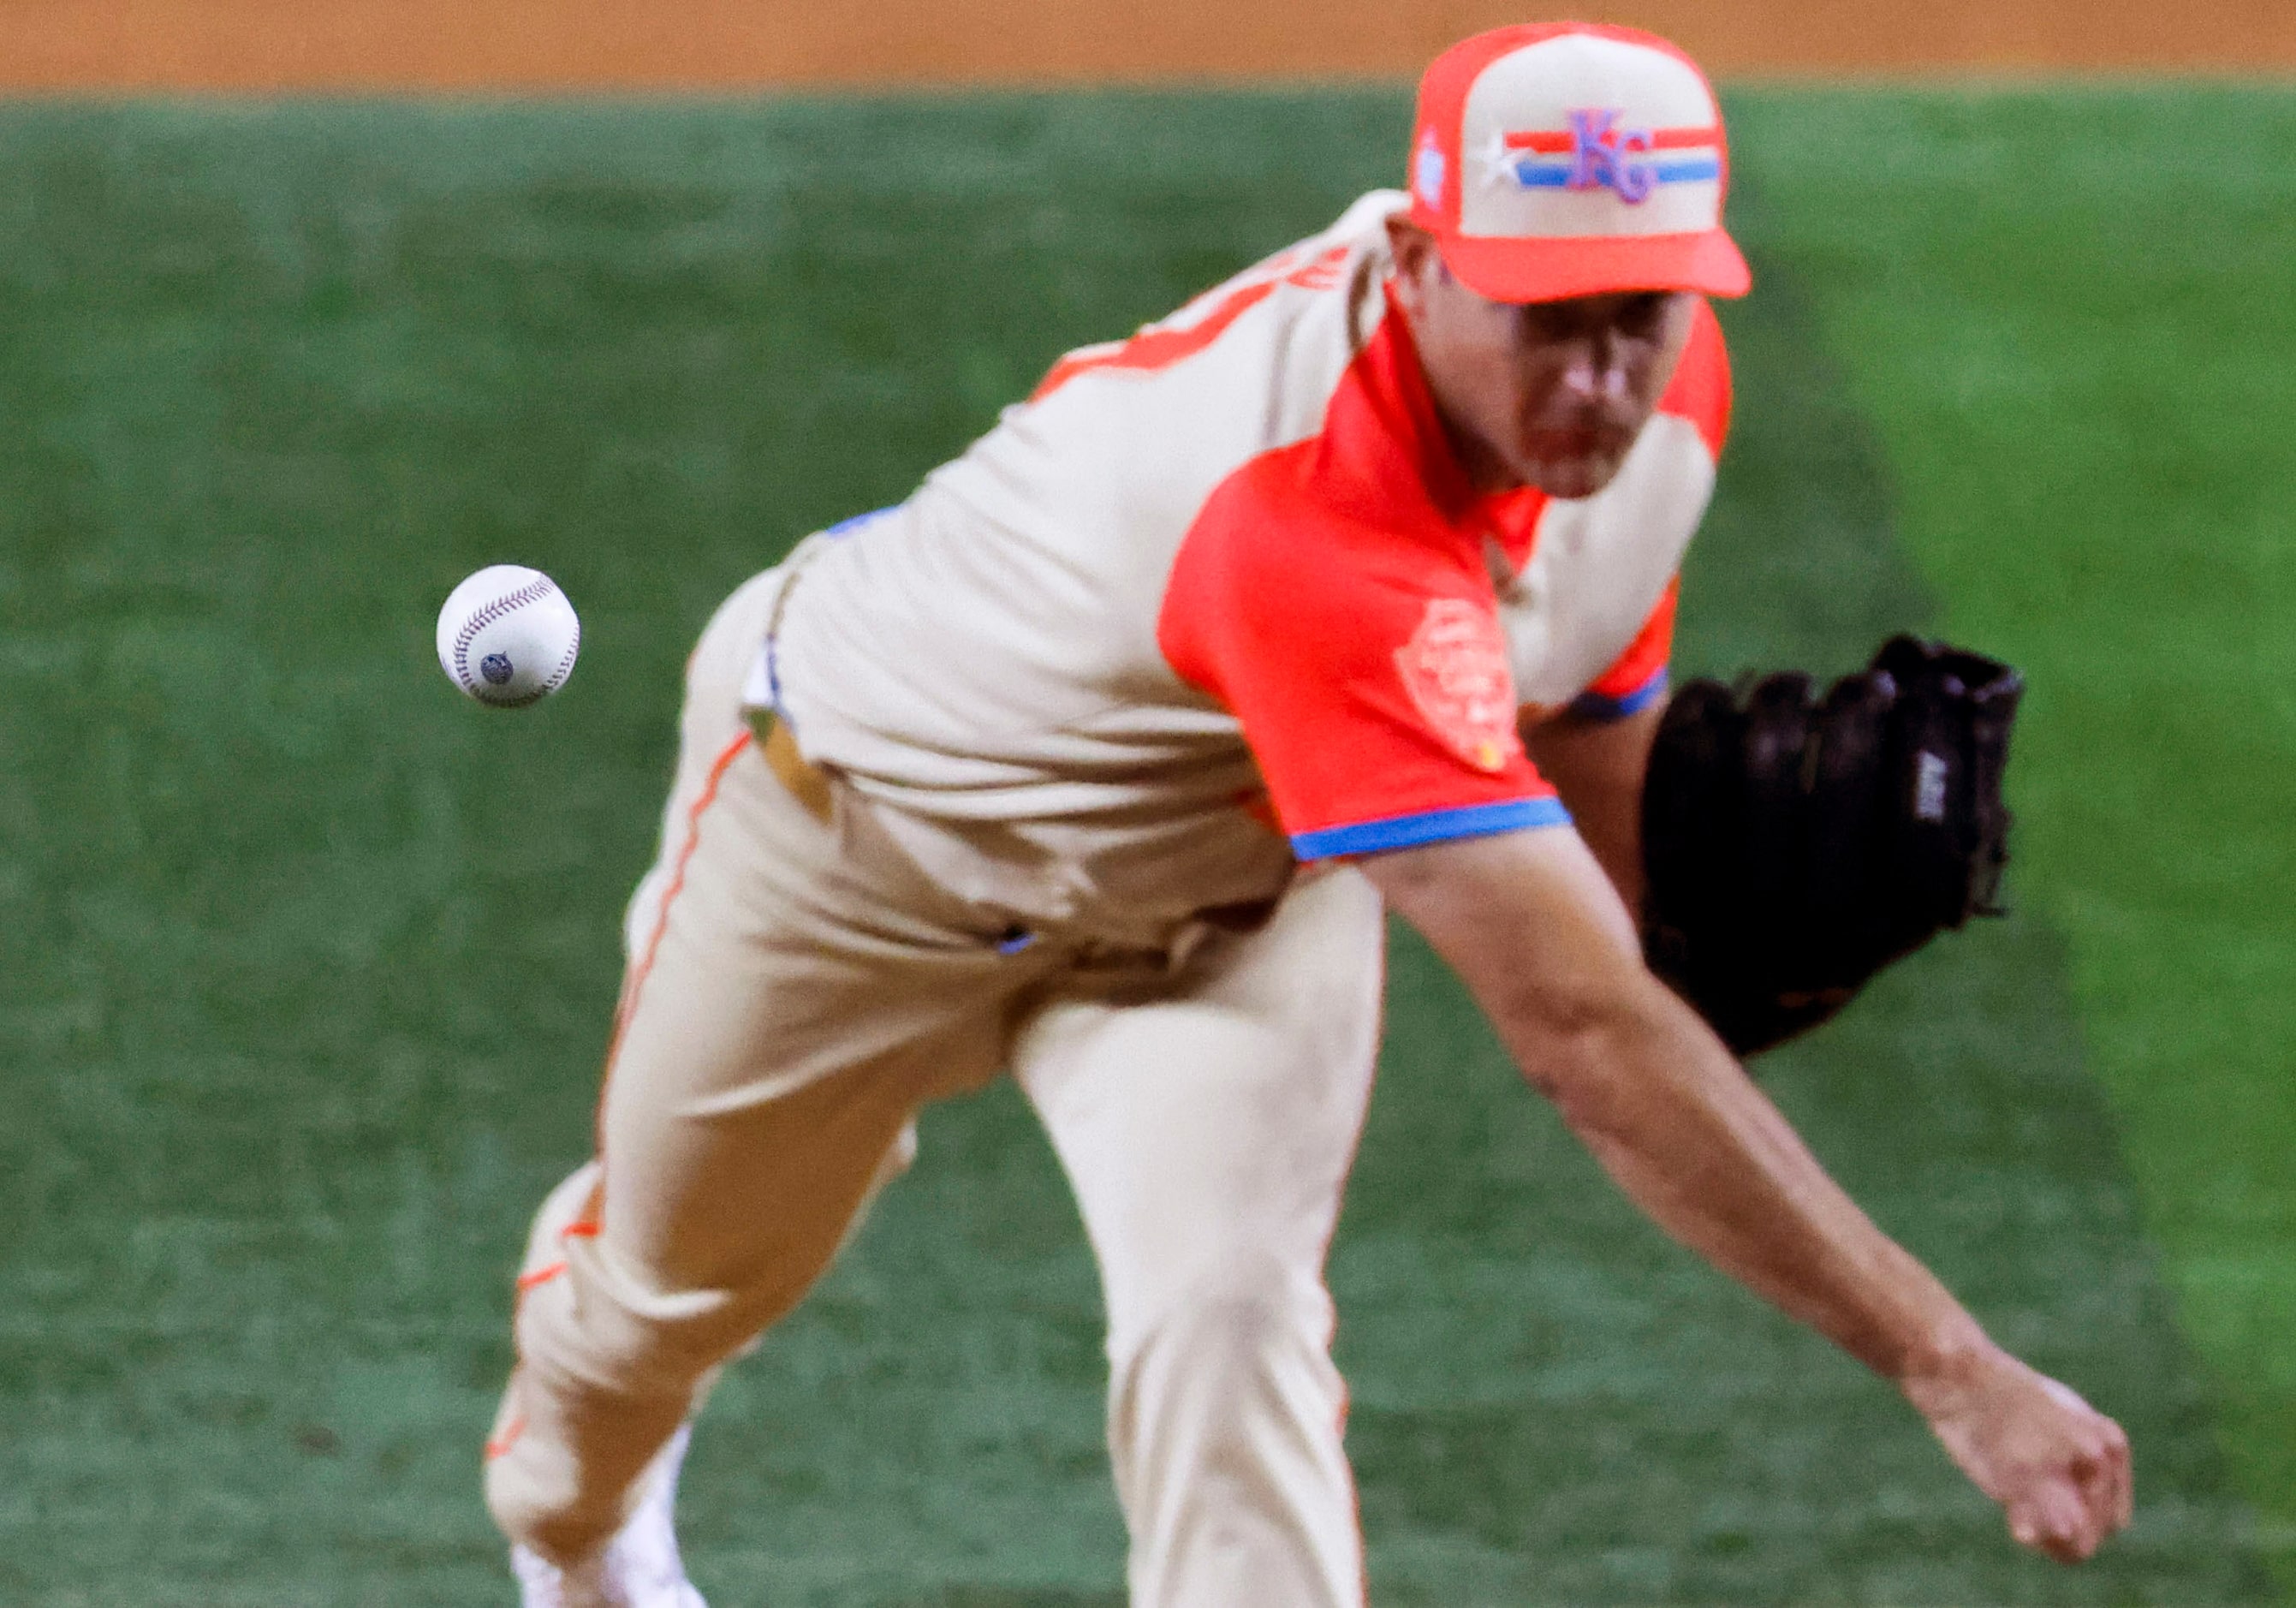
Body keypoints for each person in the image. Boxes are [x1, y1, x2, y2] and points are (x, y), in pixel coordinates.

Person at [486, 22, 2132, 1607]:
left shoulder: (1661, 415)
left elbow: (1585, 756)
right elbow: (1580, 1035)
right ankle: (571, 1536)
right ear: (1417, 262)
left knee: (1230, 1319)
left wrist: (1693, 964)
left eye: (1639, 311)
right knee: (669, 1297)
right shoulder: (1302, 526)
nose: (1600, 375)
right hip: (852, 851)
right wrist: (1950, 1363)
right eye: (1542, 315)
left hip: (1234, 899)